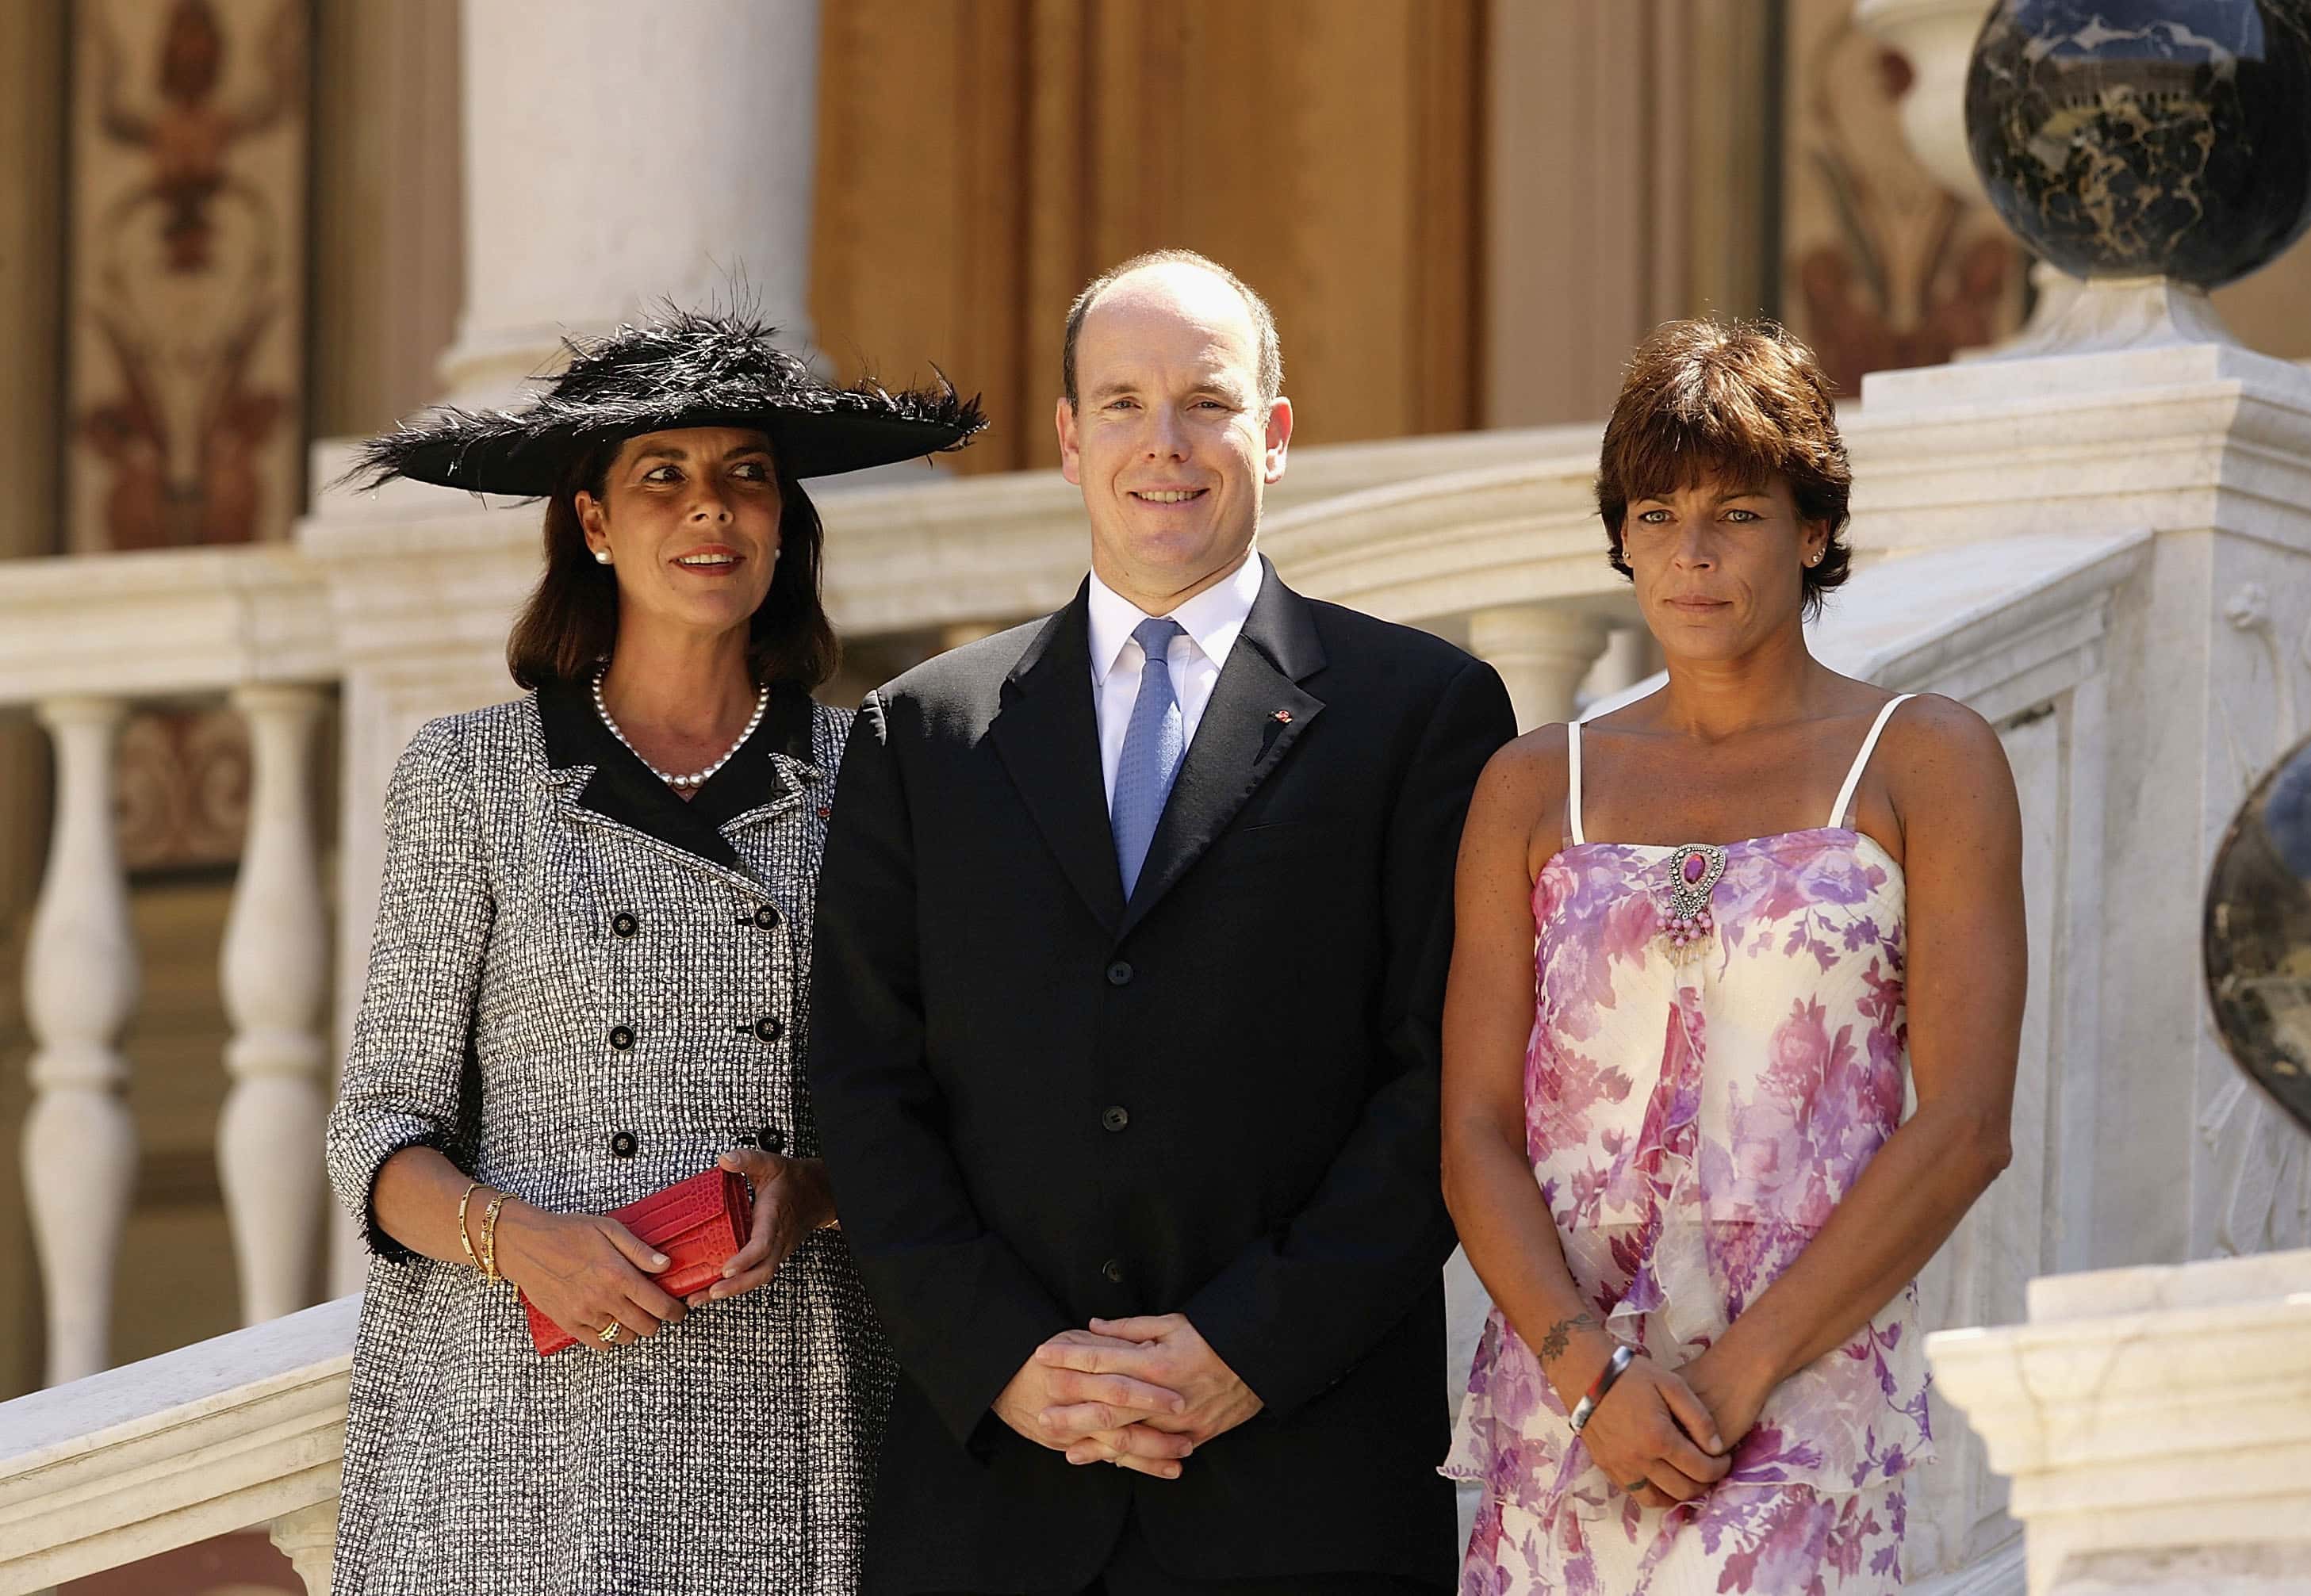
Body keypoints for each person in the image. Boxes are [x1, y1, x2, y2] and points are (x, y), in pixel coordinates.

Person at [807, 250, 1517, 1594]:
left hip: (1303, 1484)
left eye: (1207, 400)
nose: (1166, 445)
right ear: (1071, 441)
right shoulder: (925, 730)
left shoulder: (1421, 714)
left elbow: (1448, 1078)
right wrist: (1007, 1360)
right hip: (996, 1499)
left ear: (1277, 434)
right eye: (1122, 404)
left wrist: (1248, 1346)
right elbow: (860, 1082)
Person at [323, 304, 983, 1596]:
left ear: (784, 520)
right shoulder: (470, 778)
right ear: (592, 522)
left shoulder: (879, 775)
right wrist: (525, 1240)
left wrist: (816, 1190)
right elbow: (377, 1134)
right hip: (516, 1428)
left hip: (785, 1396)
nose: (711, 510)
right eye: (663, 477)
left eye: (746, 475)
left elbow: (947, 1106)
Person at [1439, 318, 2025, 1592]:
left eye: (1736, 513)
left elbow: (1969, 1123)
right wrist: (1593, 1380)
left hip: (1800, 1404)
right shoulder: (1537, 786)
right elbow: (1473, 1130)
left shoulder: (1927, 761)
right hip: (1571, 1413)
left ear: (1812, 529)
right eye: (1655, 513)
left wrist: (1734, 1379)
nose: (1691, 555)